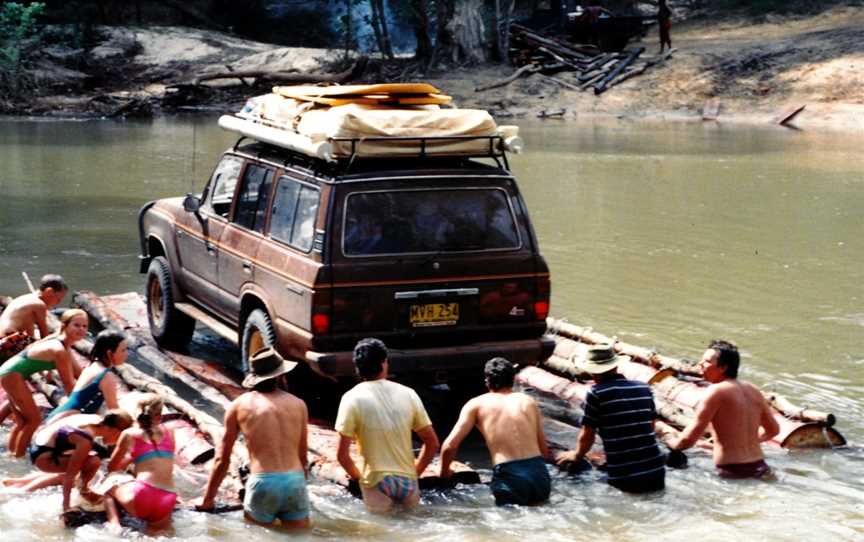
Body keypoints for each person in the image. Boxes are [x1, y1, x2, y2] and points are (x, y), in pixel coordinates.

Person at [195, 347, 311, 530]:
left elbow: (222, 459)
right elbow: (303, 456)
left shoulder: (239, 406)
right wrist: (299, 487)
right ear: (280, 375)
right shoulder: (299, 404)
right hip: (295, 480)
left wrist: (207, 500)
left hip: (263, 482)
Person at [335, 338, 439, 513]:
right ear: (384, 363)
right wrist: (415, 473)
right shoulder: (409, 393)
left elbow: (342, 456)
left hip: (375, 480)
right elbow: (432, 443)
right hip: (408, 480)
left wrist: (358, 477)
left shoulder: (351, 398)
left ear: (358, 368)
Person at [439, 357, 551, 506]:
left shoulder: (476, 404)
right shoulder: (528, 401)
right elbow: (544, 450)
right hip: (539, 473)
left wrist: (444, 474)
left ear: (487, 381)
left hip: (510, 475)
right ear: (513, 379)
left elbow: (449, 446)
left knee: (510, 525)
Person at [555, 344, 666, 493]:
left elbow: (588, 434)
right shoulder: (643, 388)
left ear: (591, 371)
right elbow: (650, 425)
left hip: (625, 473)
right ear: (615, 366)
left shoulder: (596, 394)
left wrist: (576, 455)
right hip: (656, 468)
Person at [668, 340, 780, 479]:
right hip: (761, 467)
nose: (700, 364)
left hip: (732, 472)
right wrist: (742, 444)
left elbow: (688, 439)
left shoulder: (716, 391)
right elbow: (773, 430)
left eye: (707, 361)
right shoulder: (753, 390)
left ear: (723, 368)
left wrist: (671, 443)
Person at [1, 410, 132, 517]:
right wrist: (66, 506)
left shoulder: (95, 419)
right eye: (122, 437)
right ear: (115, 431)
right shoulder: (84, 440)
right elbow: (69, 475)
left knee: (81, 466)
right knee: (91, 463)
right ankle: (19, 491)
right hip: (43, 457)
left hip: (40, 445)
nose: (119, 442)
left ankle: (17, 481)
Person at [0, 308, 86, 457]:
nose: (81, 329)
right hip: (12, 376)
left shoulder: (61, 343)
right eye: (76, 325)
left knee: (22, 421)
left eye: (85, 326)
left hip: (8, 373)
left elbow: (80, 374)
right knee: (33, 420)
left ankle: (11, 454)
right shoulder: (59, 349)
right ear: (65, 325)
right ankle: (18, 459)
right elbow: (68, 384)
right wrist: (81, 407)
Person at [104, 394, 178, 533]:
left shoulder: (129, 434)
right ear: (160, 415)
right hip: (168, 498)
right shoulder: (170, 432)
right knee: (159, 535)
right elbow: (161, 460)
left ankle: (114, 524)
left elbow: (112, 467)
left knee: (109, 484)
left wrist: (131, 459)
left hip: (142, 494)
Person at [47, 330, 127, 421]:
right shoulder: (106, 377)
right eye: (123, 350)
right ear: (109, 353)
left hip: (61, 417)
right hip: (68, 423)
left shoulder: (93, 366)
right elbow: (115, 412)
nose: (126, 354)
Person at [0, 274, 67, 363]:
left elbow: (29, 330)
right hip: (8, 342)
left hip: (4, 341)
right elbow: (44, 335)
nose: (58, 303)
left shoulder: (26, 298)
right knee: (56, 343)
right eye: (58, 299)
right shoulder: (39, 304)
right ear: (49, 291)